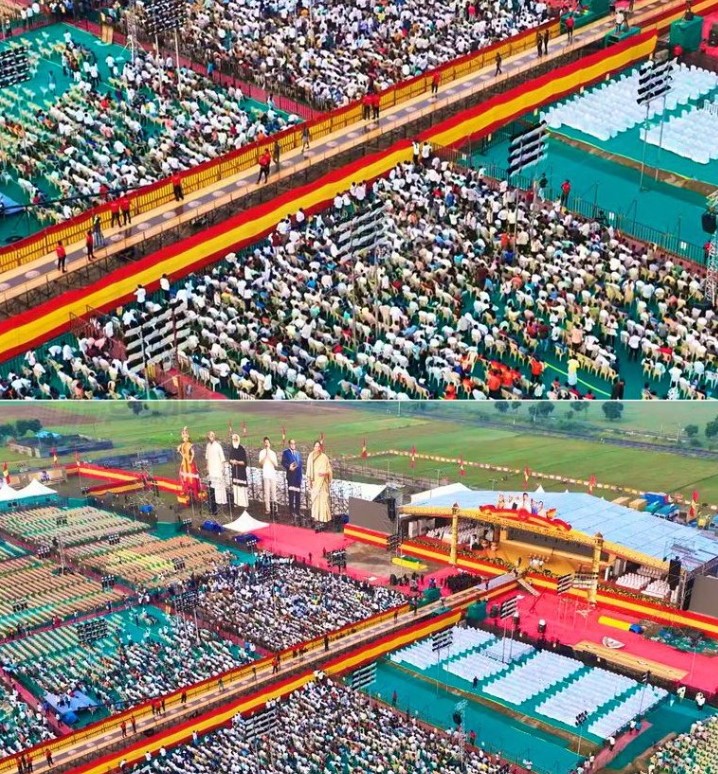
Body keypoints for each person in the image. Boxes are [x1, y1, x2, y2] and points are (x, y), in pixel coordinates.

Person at [306, 440, 332, 526]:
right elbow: (309, 470)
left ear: (320, 447)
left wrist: (325, 473)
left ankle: (324, 519)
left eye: (318, 446)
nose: (317, 448)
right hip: (315, 482)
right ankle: (316, 518)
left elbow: (329, 469)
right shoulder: (310, 456)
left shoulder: (324, 457)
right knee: (316, 500)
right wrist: (309, 481)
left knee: (323, 500)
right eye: (316, 446)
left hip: (323, 482)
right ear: (314, 447)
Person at [205, 431, 227, 516]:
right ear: (208, 437)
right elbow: (207, 457)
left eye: (213, 435)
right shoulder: (208, 446)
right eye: (210, 435)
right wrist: (207, 466)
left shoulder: (218, 446)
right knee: (212, 489)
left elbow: (222, 458)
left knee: (219, 488)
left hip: (217, 470)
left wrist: (222, 469)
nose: (211, 436)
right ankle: (213, 509)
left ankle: (221, 505)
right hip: (211, 470)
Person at [282, 438, 303, 520]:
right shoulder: (286, 452)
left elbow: (300, 464)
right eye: (291, 443)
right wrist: (289, 467)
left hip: (298, 477)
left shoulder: (298, 453)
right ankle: (291, 511)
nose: (293, 445)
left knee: (298, 495)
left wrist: (300, 477)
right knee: (291, 495)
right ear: (289, 444)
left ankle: (298, 511)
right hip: (291, 477)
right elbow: (283, 462)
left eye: (294, 443)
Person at [177, 426, 201, 500]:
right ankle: (187, 490)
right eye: (184, 438)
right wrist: (180, 452)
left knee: (191, 475)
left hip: (189, 461)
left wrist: (191, 460)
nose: (185, 439)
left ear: (188, 437)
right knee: (184, 475)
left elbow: (193, 453)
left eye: (186, 437)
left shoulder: (190, 444)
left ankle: (194, 490)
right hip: (184, 461)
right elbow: (182, 454)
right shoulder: (182, 445)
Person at [229, 433, 249, 515]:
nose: (234, 440)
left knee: (242, 487)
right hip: (234, 471)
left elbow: (244, 462)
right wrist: (232, 461)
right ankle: (237, 502)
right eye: (233, 439)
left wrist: (237, 462)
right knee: (236, 487)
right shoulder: (232, 449)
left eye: (236, 439)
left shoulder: (241, 449)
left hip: (241, 471)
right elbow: (230, 459)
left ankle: (244, 504)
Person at [258, 437, 278, 515]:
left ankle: (275, 508)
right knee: (267, 493)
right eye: (265, 442)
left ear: (269, 444)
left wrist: (269, 456)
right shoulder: (262, 452)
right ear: (264, 444)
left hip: (272, 474)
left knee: (274, 492)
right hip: (266, 474)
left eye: (268, 442)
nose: (266, 444)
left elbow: (276, 464)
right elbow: (260, 464)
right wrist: (265, 456)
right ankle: (268, 509)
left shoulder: (273, 453)